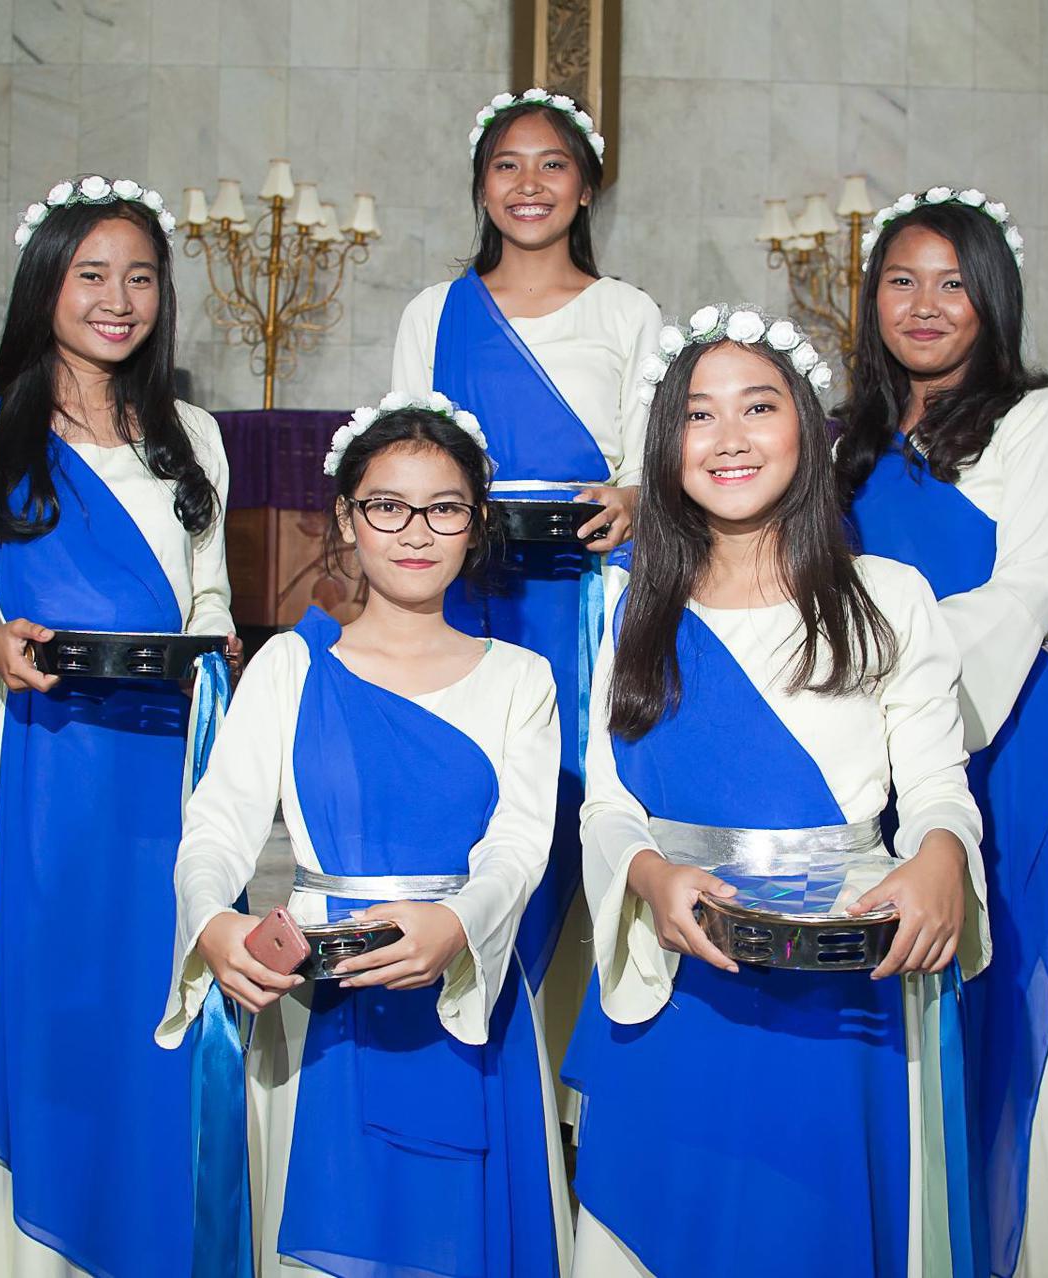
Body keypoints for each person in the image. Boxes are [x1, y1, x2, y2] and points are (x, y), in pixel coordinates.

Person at [563, 304, 989, 1277]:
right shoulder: (632, 606)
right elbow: (610, 803)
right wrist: (649, 877)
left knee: (809, 1230)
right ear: (665, 446)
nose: (730, 437)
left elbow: (936, 784)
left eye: (758, 407)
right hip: (681, 977)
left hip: (836, 986)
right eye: (698, 414)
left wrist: (938, 855)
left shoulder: (888, 598)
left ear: (806, 425)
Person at [0, 176, 232, 1277]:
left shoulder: (193, 438)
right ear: (45, 284)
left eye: (140, 278)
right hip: (35, 772)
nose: (117, 301)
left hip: (161, 772)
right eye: (91, 275)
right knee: (43, 1013)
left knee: (149, 1004)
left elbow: (210, 596)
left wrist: (216, 644)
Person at [158, 398, 569, 1277]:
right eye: (387, 506)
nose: (415, 531)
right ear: (346, 519)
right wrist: (212, 922)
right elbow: (217, 826)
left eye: (444, 508)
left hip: (466, 990)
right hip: (321, 1002)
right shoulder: (289, 667)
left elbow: (519, 845)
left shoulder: (521, 680)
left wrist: (457, 925)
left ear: (477, 523)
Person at [838, 188, 1048, 1277]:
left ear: (992, 297)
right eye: (901, 281)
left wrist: (887, 681)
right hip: (869, 752)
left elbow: (1023, 594)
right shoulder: (849, 437)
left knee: (1007, 1000)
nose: (924, 304)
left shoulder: (1039, 422)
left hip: (993, 742)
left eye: (953, 283)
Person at [390, 89, 663, 1020]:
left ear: (586, 188)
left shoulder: (627, 313)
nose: (529, 183)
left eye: (553, 164)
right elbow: (405, 456)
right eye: (507, 165)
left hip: (584, 601)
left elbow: (651, 462)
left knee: (580, 798)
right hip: (466, 596)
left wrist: (634, 498)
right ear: (481, 187)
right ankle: (462, 1006)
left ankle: (566, 1045)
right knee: (471, 788)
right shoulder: (435, 312)